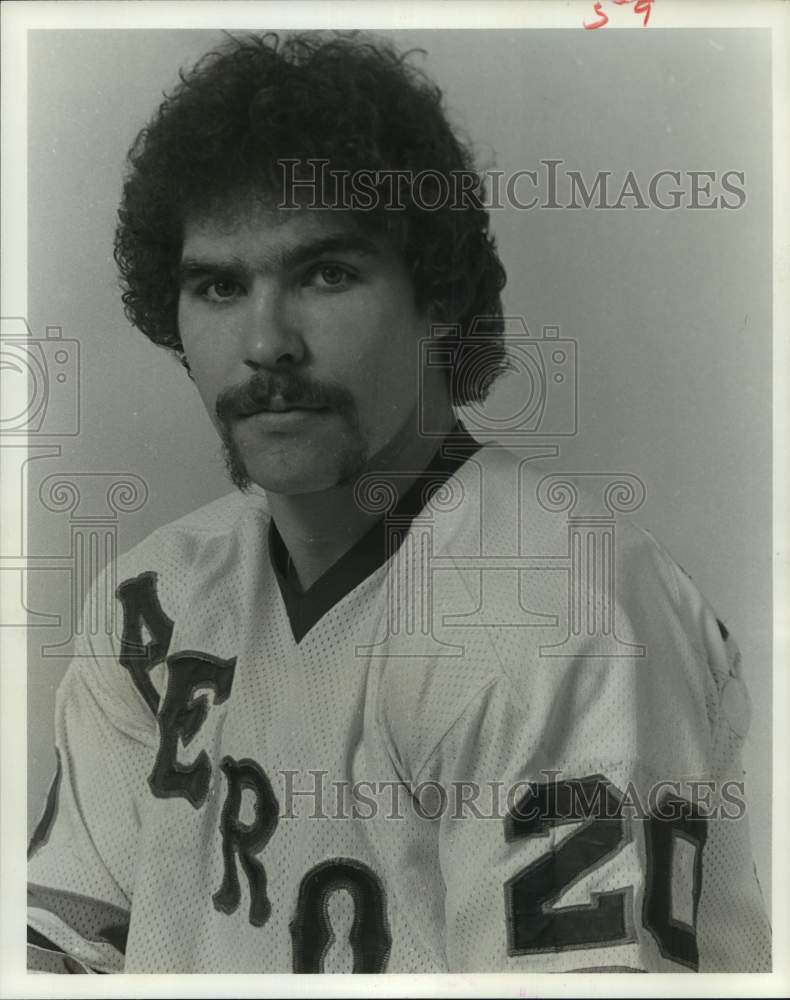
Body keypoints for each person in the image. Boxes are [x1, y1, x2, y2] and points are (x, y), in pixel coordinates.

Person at [27, 31, 770, 974]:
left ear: (440, 299)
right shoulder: (153, 601)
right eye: (219, 286)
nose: (266, 343)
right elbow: (56, 949)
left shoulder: (563, 612)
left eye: (326, 274)